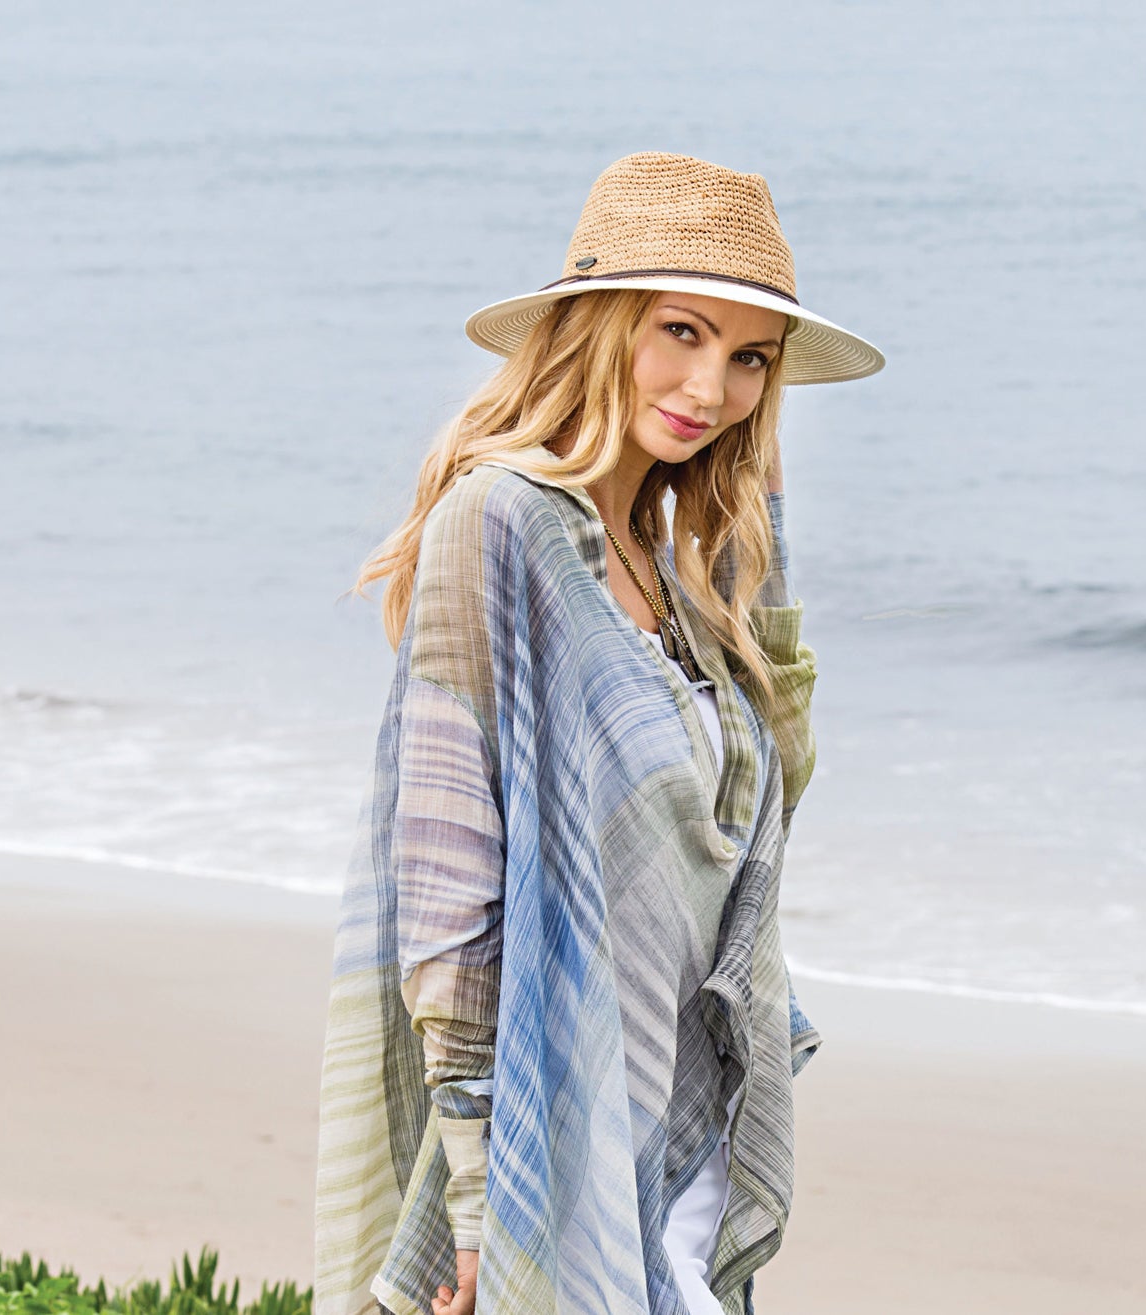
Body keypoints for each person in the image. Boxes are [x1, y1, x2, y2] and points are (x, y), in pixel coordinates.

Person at [311, 152, 883, 1315]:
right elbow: (446, 882)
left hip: (680, 1125)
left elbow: (781, 768)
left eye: (748, 358)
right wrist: (474, 1202)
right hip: (545, 1135)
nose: (709, 384)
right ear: (599, 324)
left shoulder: (673, 577)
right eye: (679, 331)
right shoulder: (504, 526)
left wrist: (750, 499)